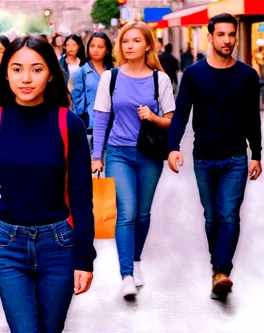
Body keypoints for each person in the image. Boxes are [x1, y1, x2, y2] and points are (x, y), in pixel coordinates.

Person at [0, 36, 96, 332]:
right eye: (17, 69)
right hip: (7, 244)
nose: (26, 78)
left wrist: (85, 258)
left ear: (51, 73)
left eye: (36, 69)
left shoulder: (70, 124)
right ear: (5, 73)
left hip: (59, 244)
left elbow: (81, 195)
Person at [167, 13, 262, 300]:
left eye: (231, 34)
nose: (227, 40)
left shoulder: (247, 75)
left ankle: (222, 271)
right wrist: (172, 147)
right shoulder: (194, 74)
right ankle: (216, 268)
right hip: (204, 158)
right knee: (212, 219)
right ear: (210, 37)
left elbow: (252, 118)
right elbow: (181, 113)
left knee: (229, 215)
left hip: (235, 157)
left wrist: (256, 154)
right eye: (221, 34)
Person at [91, 21, 175, 299]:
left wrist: (152, 117)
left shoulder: (158, 79)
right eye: (125, 41)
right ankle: (126, 274)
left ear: (148, 45)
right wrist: (96, 156)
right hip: (118, 153)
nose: (129, 46)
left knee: (142, 213)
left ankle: (136, 260)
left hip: (150, 155)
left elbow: (171, 121)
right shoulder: (111, 77)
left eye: (136, 41)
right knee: (125, 213)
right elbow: (101, 117)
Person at [70, 31, 114, 133]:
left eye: (100, 47)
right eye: (92, 46)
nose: (95, 50)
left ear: (107, 50)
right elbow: (77, 104)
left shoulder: (113, 71)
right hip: (91, 124)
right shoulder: (79, 73)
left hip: (113, 123)